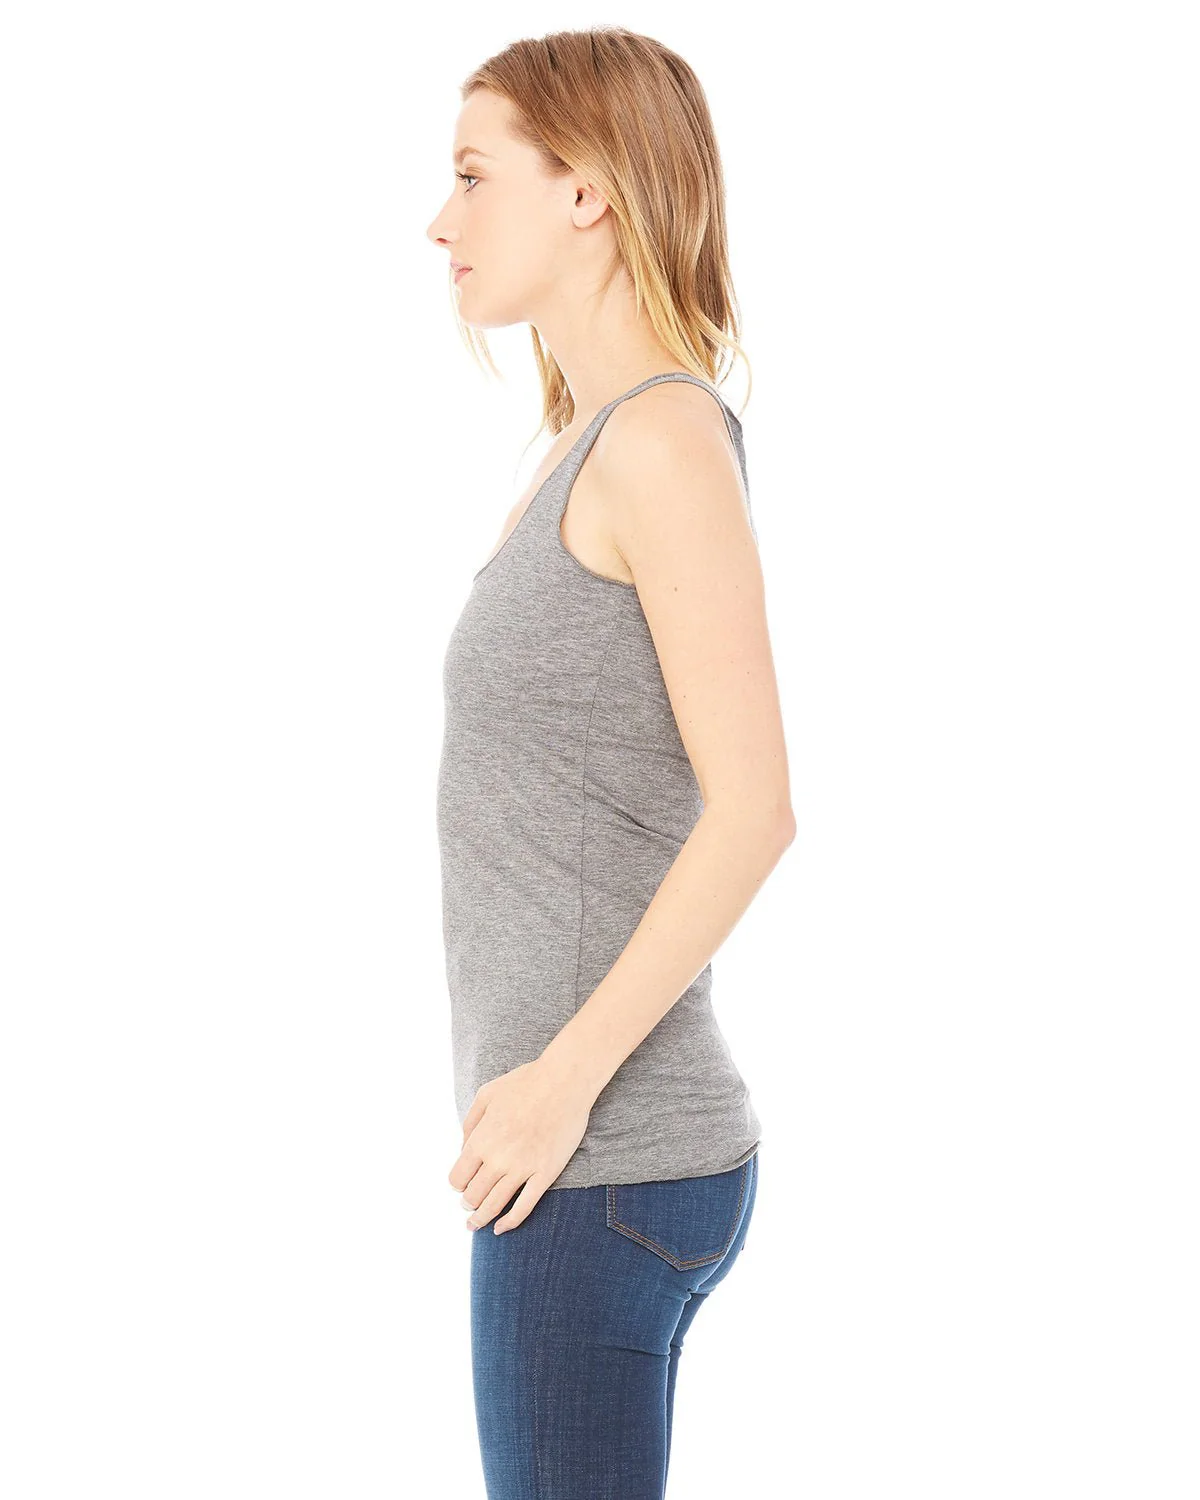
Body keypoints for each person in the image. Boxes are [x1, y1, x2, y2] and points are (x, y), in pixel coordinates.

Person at [426, 26, 795, 1499]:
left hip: (595, 1163)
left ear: (586, 189)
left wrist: (557, 1088)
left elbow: (755, 810)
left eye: (473, 175)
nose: (440, 220)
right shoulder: (591, 442)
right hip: (589, 1162)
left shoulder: (659, 442)